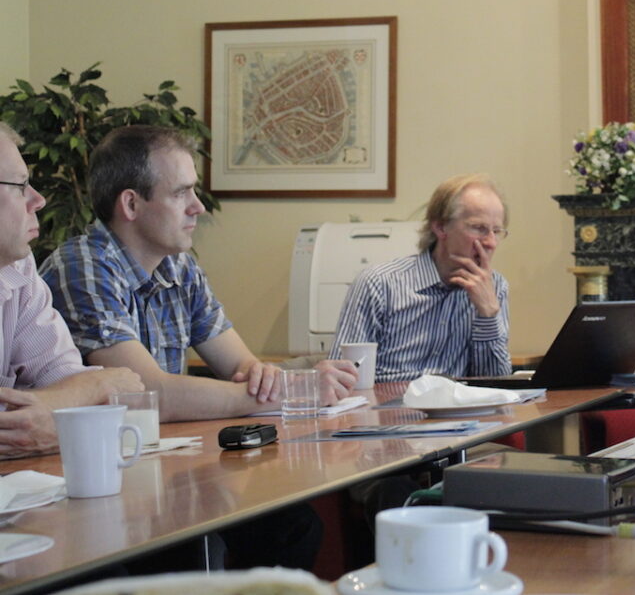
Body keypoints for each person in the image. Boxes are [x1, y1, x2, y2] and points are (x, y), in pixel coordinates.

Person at [40, 125, 358, 420]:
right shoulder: (82, 266)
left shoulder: (180, 267)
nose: (198, 207)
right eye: (181, 193)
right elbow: (146, 395)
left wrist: (272, 379)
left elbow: (243, 367)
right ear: (131, 205)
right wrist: (297, 390)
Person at [0, 122, 143, 458]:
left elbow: (72, 379)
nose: (38, 199)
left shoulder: (17, 269)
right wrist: (93, 387)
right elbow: (89, 395)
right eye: (20, 185)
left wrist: (89, 388)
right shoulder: (83, 263)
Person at [330, 173, 510, 381]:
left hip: (458, 411)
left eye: (496, 231)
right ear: (441, 227)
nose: (491, 243)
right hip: (387, 409)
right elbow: (342, 381)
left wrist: (487, 314)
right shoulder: (379, 284)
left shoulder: (495, 287)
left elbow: (497, 385)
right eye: (479, 228)